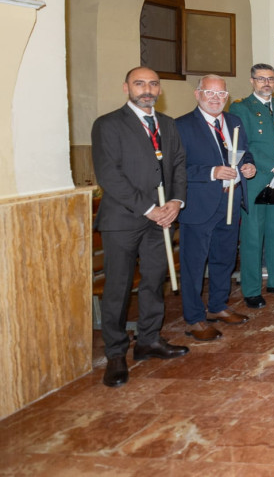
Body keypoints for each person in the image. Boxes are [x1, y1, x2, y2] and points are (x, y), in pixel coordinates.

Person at [92, 67, 190, 387]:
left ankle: (148, 340)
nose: (146, 89)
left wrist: (175, 202)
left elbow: (176, 165)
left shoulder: (168, 124)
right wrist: (150, 209)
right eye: (139, 83)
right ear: (126, 88)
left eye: (152, 83)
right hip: (124, 219)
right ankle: (116, 353)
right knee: (118, 288)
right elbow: (110, 175)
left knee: (153, 281)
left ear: (159, 89)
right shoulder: (107, 124)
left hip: (162, 217)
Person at [174, 75, 257, 342]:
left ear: (227, 97)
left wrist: (249, 166)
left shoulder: (234, 122)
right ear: (197, 94)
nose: (215, 98)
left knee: (225, 257)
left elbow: (245, 153)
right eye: (209, 93)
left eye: (221, 94)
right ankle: (195, 318)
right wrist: (211, 172)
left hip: (231, 200)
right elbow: (175, 170)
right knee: (194, 263)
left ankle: (218, 306)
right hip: (199, 204)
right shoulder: (182, 126)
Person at [228, 64, 274, 308]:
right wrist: (273, 167)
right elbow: (246, 144)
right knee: (252, 236)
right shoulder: (241, 107)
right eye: (261, 79)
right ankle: (251, 289)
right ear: (252, 81)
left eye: (270, 79)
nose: (266, 83)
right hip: (256, 178)